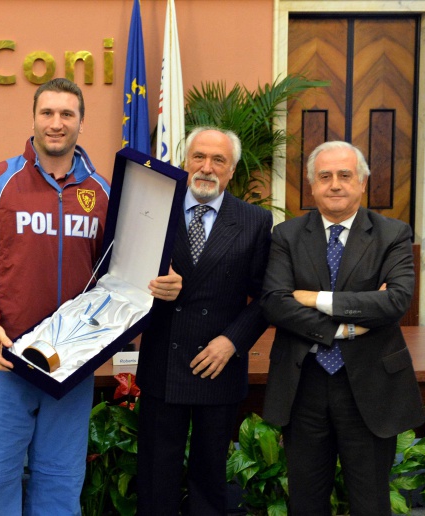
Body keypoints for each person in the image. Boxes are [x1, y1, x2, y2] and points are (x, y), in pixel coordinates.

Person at [0, 77, 181, 515]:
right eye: (48, 113)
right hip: (3, 357)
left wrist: (155, 280)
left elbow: (119, 277)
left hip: (71, 364)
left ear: (81, 122)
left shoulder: (104, 193)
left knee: (60, 480)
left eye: (67, 114)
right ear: (34, 118)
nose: (56, 123)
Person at [261, 140, 425, 515]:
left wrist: (315, 298)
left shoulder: (392, 234)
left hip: (371, 385)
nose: (335, 184)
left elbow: (396, 301)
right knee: (305, 502)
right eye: (325, 176)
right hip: (303, 384)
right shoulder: (286, 235)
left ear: (362, 182)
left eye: (345, 175)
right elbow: (275, 303)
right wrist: (345, 328)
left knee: (370, 503)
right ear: (311, 185)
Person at [136, 127, 272, 515]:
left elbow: (267, 295)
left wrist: (232, 341)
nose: (206, 167)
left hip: (219, 365)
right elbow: (121, 271)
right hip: (163, 362)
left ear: (232, 170)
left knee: (210, 478)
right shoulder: (153, 209)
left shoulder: (254, 220)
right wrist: (150, 285)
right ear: (185, 161)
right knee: (155, 478)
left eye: (218, 160)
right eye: (199, 157)